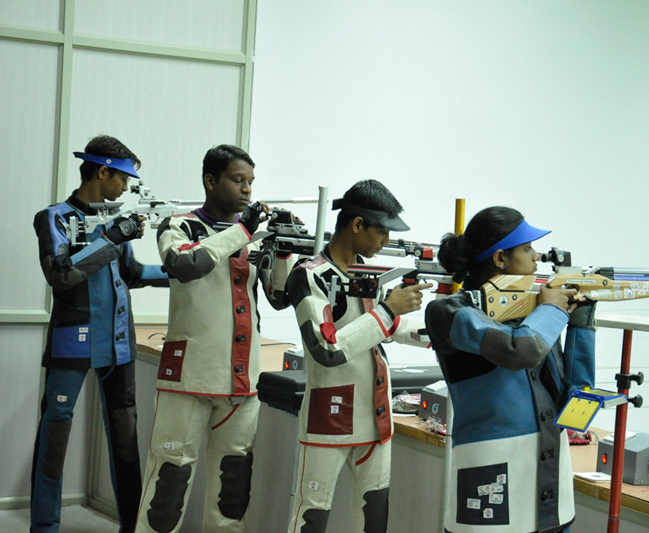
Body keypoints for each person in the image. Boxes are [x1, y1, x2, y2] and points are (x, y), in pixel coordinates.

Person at [135, 145, 292, 532]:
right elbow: (185, 264)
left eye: (251, 182)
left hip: (242, 381)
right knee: (168, 484)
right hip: (190, 376)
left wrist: (284, 249)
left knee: (232, 492)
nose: (247, 190)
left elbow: (279, 296)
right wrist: (243, 232)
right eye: (237, 180)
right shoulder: (179, 226)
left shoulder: (253, 235)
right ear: (210, 181)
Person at [425, 206, 596, 533]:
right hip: (492, 485)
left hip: (551, 495)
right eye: (527, 249)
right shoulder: (448, 312)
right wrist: (551, 310)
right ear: (500, 258)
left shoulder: (534, 318)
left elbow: (577, 404)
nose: (536, 257)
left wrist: (581, 324)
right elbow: (519, 351)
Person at [31, 135, 168, 533]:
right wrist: (113, 237)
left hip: (120, 346)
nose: (126, 187)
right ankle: (44, 527)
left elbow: (133, 273)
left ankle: (131, 526)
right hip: (72, 343)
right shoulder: (54, 218)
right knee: (55, 436)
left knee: (126, 442)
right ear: (103, 172)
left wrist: (183, 270)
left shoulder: (113, 220)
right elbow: (61, 274)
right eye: (123, 178)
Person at [285, 179, 432, 533]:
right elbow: (327, 349)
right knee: (310, 519)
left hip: (375, 417)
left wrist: (442, 332)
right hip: (329, 419)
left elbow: (386, 326)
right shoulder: (308, 276)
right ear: (357, 224)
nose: (386, 241)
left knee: (374, 521)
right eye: (382, 232)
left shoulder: (369, 273)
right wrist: (388, 309)